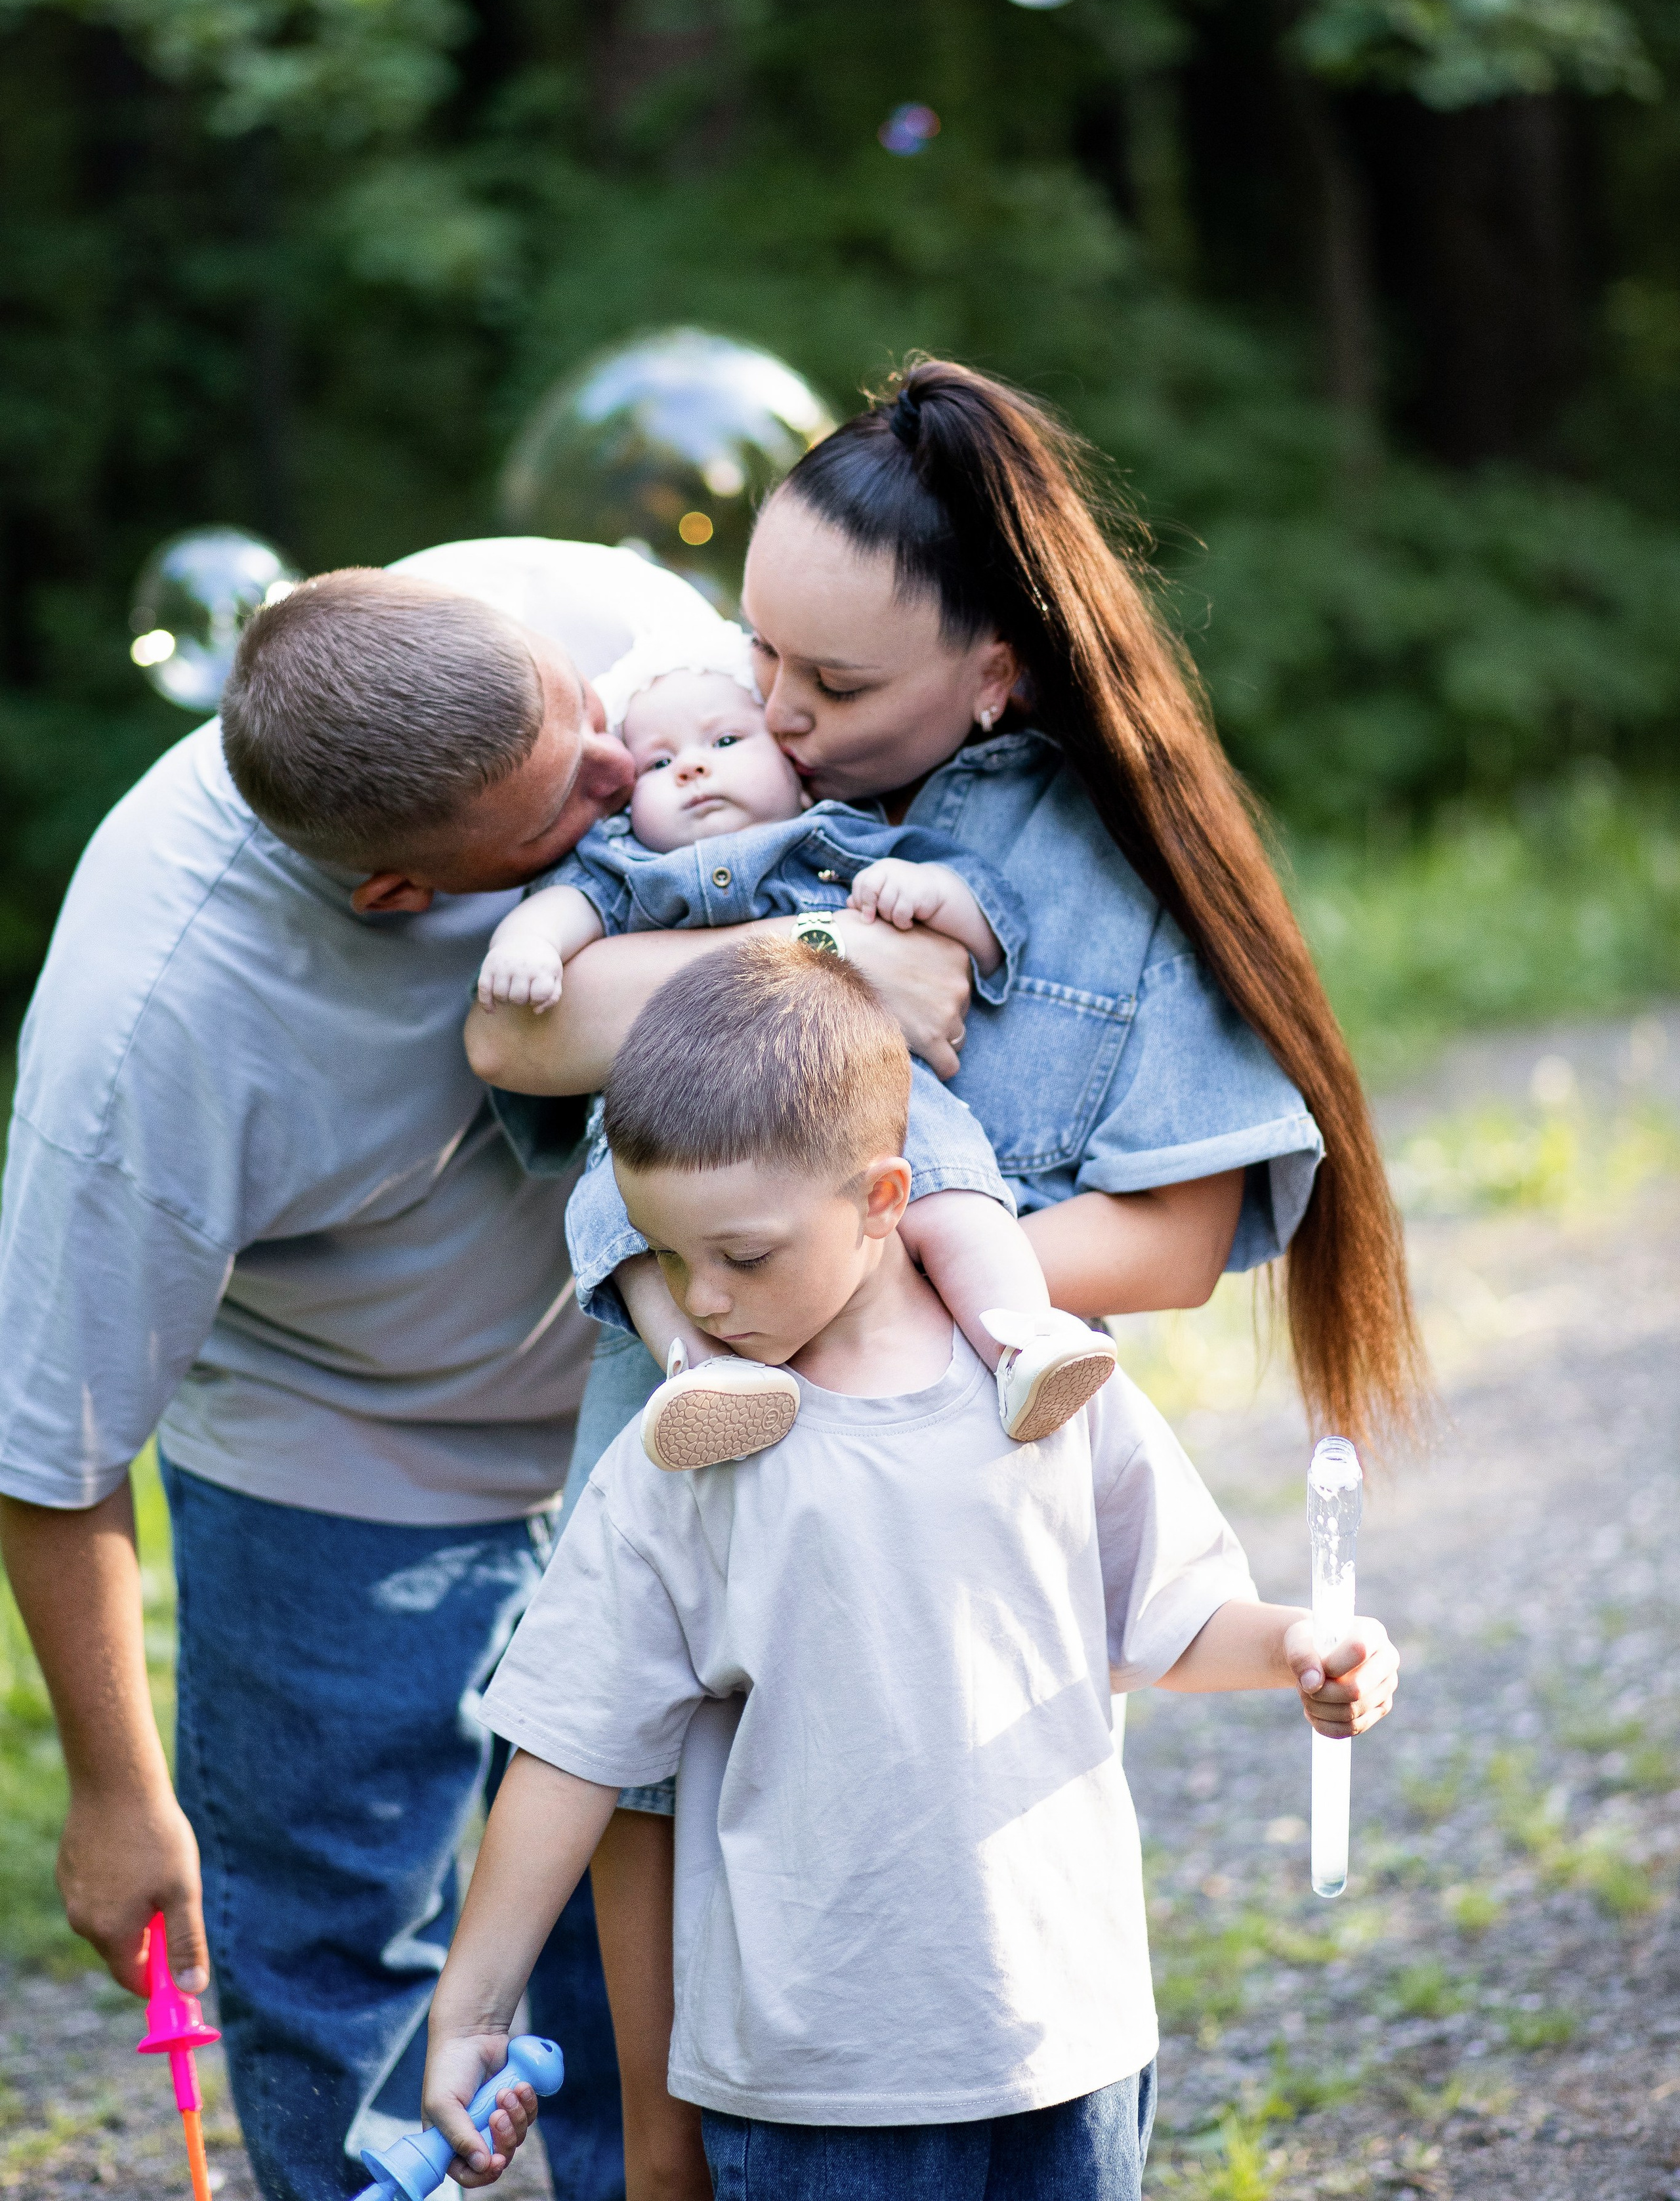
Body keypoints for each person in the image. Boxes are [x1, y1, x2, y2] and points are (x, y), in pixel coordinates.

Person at [464, 361, 1426, 2194]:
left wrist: (863, 1298)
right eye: (761, 653)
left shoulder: (1096, 863)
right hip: (687, 1445)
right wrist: (824, 944)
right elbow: (523, 1030)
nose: (775, 713)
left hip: (936, 1475)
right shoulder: (718, 789)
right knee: (647, 1929)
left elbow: (1175, 1235)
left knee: (911, 1926)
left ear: (993, 674)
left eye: (832, 687)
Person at [0, 539, 976, 2201]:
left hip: (648, 1397)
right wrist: (113, 1791)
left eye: (588, 720)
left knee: (633, 1909)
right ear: (403, 895)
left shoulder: (594, 626)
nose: (625, 776)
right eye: (561, 807)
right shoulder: (151, 1038)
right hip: (348, 1445)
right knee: (338, 1931)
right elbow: (50, 1453)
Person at [421, 940, 1400, 2200]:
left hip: (1068, 2039)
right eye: (666, 1258)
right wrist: (472, 2011)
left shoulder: (1048, 1394)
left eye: (744, 1257)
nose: (702, 1303)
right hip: (815, 2087)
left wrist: (1300, 1648)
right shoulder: (684, 1463)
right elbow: (568, 1745)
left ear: (885, 1199)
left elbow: (1173, 1615)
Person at [480, 616, 1120, 1460]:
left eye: (725, 739)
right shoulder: (622, 867)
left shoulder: (834, 842)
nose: (692, 767)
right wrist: (527, 945)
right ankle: (705, 1379)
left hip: (850, 1091)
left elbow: (985, 920)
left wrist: (927, 892)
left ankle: (1022, 1338)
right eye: (659, 762)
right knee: (623, 1228)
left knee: (948, 1178)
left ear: (792, 763)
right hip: (658, 1126)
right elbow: (564, 910)